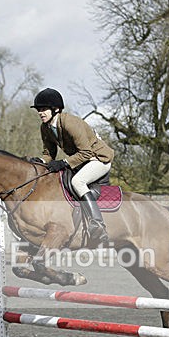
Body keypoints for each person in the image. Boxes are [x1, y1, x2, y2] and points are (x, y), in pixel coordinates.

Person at [31, 87, 114, 246]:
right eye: (38, 110)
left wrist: (64, 163)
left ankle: (98, 224)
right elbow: (49, 153)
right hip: (82, 161)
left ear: (56, 109)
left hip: (98, 158)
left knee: (78, 182)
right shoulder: (45, 127)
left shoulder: (70, 123)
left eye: (44, 109)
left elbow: (86, 152)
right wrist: (41, 162)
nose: (40, 113)